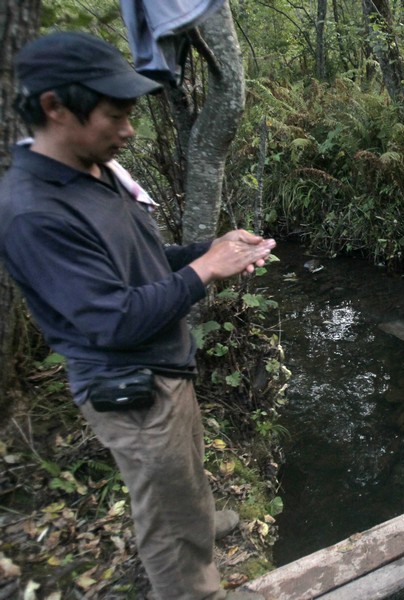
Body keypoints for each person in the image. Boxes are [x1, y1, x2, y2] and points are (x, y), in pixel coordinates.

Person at [0, 32, 272, 600]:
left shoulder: (95, 173)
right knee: (168, 526)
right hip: (135, 390)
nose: (128, 130)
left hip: (167, 368)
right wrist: (206, 271)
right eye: (114, 115)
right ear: (54, 107)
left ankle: (199, 520)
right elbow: (113, 320)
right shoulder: (33, 212)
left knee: (185, 475)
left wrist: (209, 248)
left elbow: (142, 265)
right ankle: (192, 581)